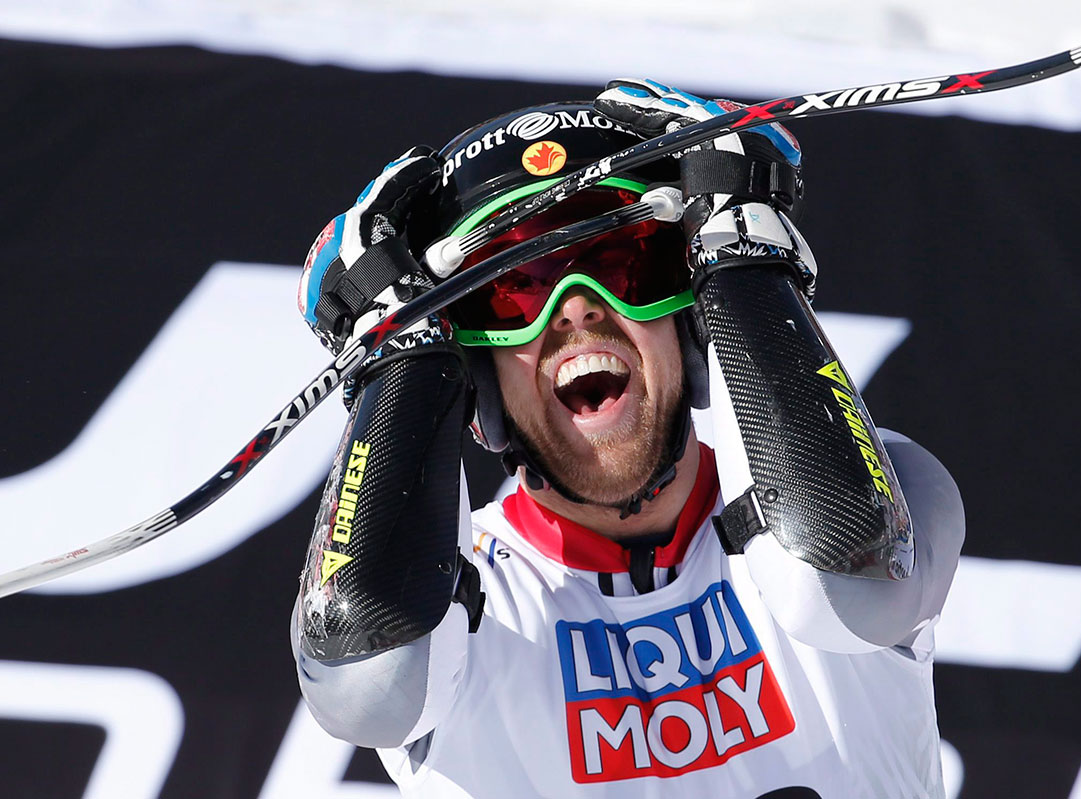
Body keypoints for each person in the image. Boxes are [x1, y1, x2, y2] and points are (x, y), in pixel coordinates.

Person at [291, 79, 965, 798]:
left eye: (624, 263)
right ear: (476, 375)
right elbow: (365, 684)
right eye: (515, 286)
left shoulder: (879, 489)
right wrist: (402, 353)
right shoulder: (435, 600)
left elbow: (851, 577)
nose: (577, 309)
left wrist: (743, 246)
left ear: (694, 318)